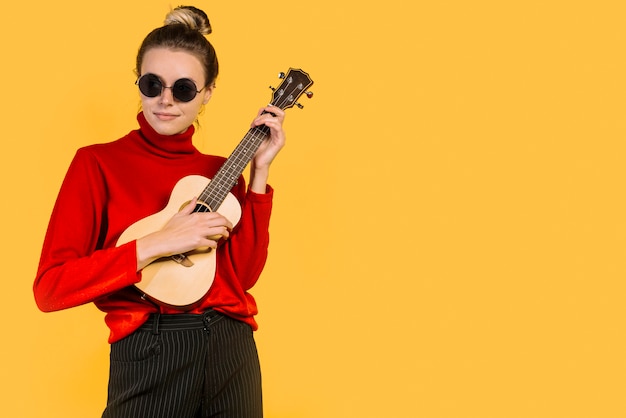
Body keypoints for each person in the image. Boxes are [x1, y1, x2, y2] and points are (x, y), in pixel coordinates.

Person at [33, 6, 285, 417]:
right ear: (139, 83)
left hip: (231, 346)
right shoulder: (97, 163)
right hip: (150, 346)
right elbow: (50, 288)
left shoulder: (219, 173)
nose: (165, 100)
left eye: (184, 89)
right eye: (153, 84)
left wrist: (259, 174)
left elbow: (244, 276)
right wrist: (156, 243)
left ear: (207, 93)